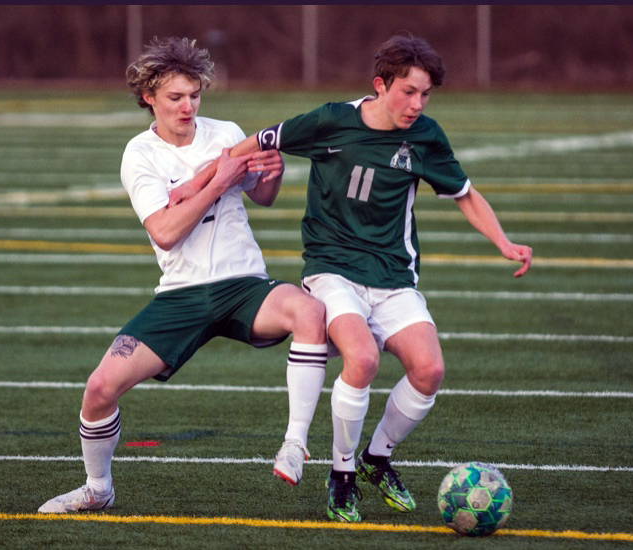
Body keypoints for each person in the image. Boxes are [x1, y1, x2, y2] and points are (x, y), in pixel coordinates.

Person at [209, 33, 533, 522]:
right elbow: (251, 144)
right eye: (408, 91)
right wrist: (199, 184)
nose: (417, 104)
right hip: (331, 270)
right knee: (361, 359)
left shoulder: (425, 136)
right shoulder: (329, 121)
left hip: (393, 276)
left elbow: (465, 193)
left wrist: (503, 241)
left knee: (429, 370)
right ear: (379, 85)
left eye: (425, 94)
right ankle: (340, 476)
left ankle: (376, 457)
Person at [38, 37, 328, 514]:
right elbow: (167, 231)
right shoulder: (140, 154)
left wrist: (271, 174)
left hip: (244, 285)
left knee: (310, 310)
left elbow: (264, 195)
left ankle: (294, 445)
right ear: (149, 97)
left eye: (194, 94)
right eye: (175, 97)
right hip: (181, 295)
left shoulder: (226, 132)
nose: (188, 106)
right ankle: (97, 487)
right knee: (98, 388)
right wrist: (218, 180)